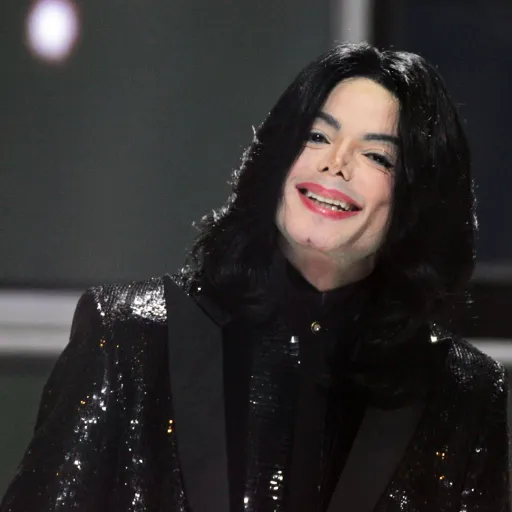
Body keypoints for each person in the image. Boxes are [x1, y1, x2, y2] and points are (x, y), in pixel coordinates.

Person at [1, 42, 509, 512]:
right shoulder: (130, 336)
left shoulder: (463, 393)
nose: (336, 164)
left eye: (377, 156)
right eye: (317, 135)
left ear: (418, 198)